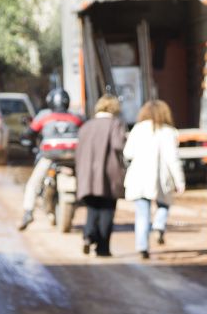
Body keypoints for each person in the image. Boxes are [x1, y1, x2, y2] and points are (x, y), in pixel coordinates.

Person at [123, 99, 186, 259]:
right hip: (160, 177)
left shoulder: (137, 129)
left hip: (139, 176)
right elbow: (173, 159)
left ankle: (142, 246)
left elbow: (127, 153)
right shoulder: (169, 131)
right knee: (164, 203)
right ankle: (159, 224)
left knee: (142, 212)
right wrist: (180, 181)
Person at [18, 88, 83, 230]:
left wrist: (24, 137)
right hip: (74, 158)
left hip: (49, 157)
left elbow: (30, 133)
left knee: (33, 184)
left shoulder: (44, 116)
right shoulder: (76, 117)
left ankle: (28, 212)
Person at [75, 94, 126, 256]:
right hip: (107, 177)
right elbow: (119, 145)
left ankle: (88, 235)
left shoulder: (86, 126)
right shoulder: (115, 125)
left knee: (92, 208)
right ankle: (103, 248)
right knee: (106, 211)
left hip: (87, 176)